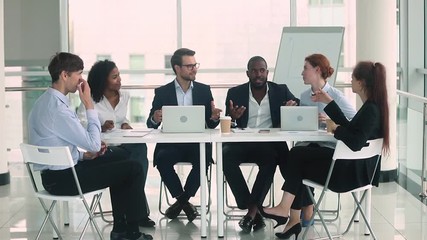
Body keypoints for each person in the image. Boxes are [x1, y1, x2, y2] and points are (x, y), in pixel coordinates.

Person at [28, 52, 152, 240]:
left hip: (54, 175)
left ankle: (121, 228)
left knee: (121, 157)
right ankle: (130, 231)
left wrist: (84, 156)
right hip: (65, 180)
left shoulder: (42, 102)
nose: (81, 79)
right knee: (132, 167)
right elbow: (93, 144)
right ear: (64, 75)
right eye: (78, 73)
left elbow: (57, 146)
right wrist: (88, 104)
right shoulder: (59, 109)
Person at [260, 61, 390, 239]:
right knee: (299, 156)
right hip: (359, 171)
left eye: (352, 78)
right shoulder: (372, 108)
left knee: (297, 156)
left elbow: (355, 142)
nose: (350, 80)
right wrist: (329, 102)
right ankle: (291, 219)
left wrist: (335, 129)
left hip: (349, 175)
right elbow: (351, 128)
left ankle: (288, 213)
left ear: (361, 83)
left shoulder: (371, 110)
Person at [223, 56, 298, 233]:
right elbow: (228, 121)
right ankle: (249, 204)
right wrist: (233, 117)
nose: (258, 74)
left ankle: (252, 212)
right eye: (254, 71)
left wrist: (291, 106)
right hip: (241, 141)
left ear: (267, 72)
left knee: (270, 160)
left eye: (262, 70)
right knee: (225, 156)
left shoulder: (281, 90)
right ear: (248, 73)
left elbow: (297, 104)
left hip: (268, 144)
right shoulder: (235, 92)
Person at [146, 48, 222, 222]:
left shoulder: (204, 90)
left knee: (203, 160)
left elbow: (210, 124)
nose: (194, 69)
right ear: (177, 68)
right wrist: (155, 118)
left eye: (195, 65)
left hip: (196, 143)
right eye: (189, 66)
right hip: (171, 144)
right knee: (162, 160)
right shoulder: (162, 92)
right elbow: (150, 124)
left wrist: (213, 118)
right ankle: (185, 203)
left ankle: (181, 202)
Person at [77, 59, 154, 227]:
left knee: (139, 147)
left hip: (122, 142)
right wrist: (100, 127)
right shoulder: (89, 99)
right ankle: (138, 213)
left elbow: (121, 118)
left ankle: (134, 211)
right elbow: (81, 125)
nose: (119, 80)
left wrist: (125, 124)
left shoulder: (124, 95)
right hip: (104, 148)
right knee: (132, 161)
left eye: (119, 76)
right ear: (103, 80)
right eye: (114, 77)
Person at [292, 53, 356, 227]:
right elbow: (303, 124)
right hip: (309, 144)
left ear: (317, 70)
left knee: (296, 158)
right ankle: (306, 208)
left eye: (305, 68)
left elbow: (354, 122)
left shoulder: (336, 96)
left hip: (329, 148)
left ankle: (296, 213)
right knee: (296, 158)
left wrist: (330, 120)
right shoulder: (304, 96)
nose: (302, 72)